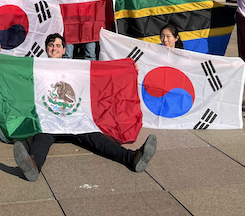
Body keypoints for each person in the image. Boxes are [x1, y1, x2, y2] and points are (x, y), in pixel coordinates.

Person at [12, 33, 157, 181]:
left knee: (96, 138)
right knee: (41, 139)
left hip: (74, 119)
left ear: (64, 50)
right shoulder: (37, 68)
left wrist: (128, 70)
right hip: (49, 119)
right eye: (50, 45)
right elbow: (14, 75)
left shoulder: (77, 68)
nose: (53, 48)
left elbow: (104, 78)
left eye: (57, 45)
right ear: (46, 49)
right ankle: (33, 166)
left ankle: (132, 158)